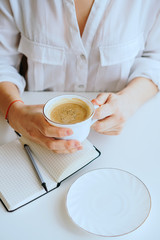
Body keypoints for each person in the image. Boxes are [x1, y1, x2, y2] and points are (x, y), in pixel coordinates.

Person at [0, 0, 160, 154]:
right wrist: (15, 112)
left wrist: (128, 101)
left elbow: (155, 58)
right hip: (34, 138)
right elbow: (3, 62)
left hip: (122, 140)